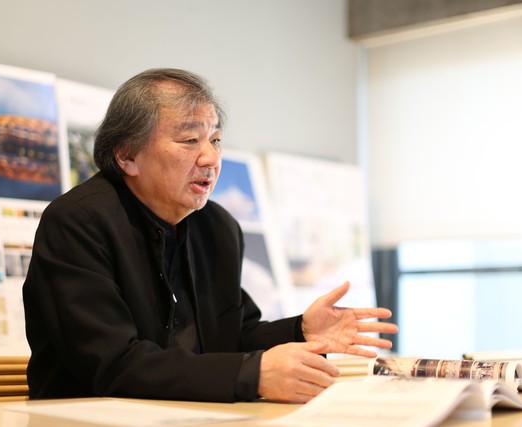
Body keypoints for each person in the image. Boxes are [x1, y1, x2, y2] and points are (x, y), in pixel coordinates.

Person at [22, 68, 398, 404]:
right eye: (190, 140)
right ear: (127, 156)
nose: (211, 159)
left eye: (215, 140)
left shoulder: (217, 227)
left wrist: (300, 330)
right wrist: (251, 375)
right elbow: (112, 364)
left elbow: (233, 336)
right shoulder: (78, 222)